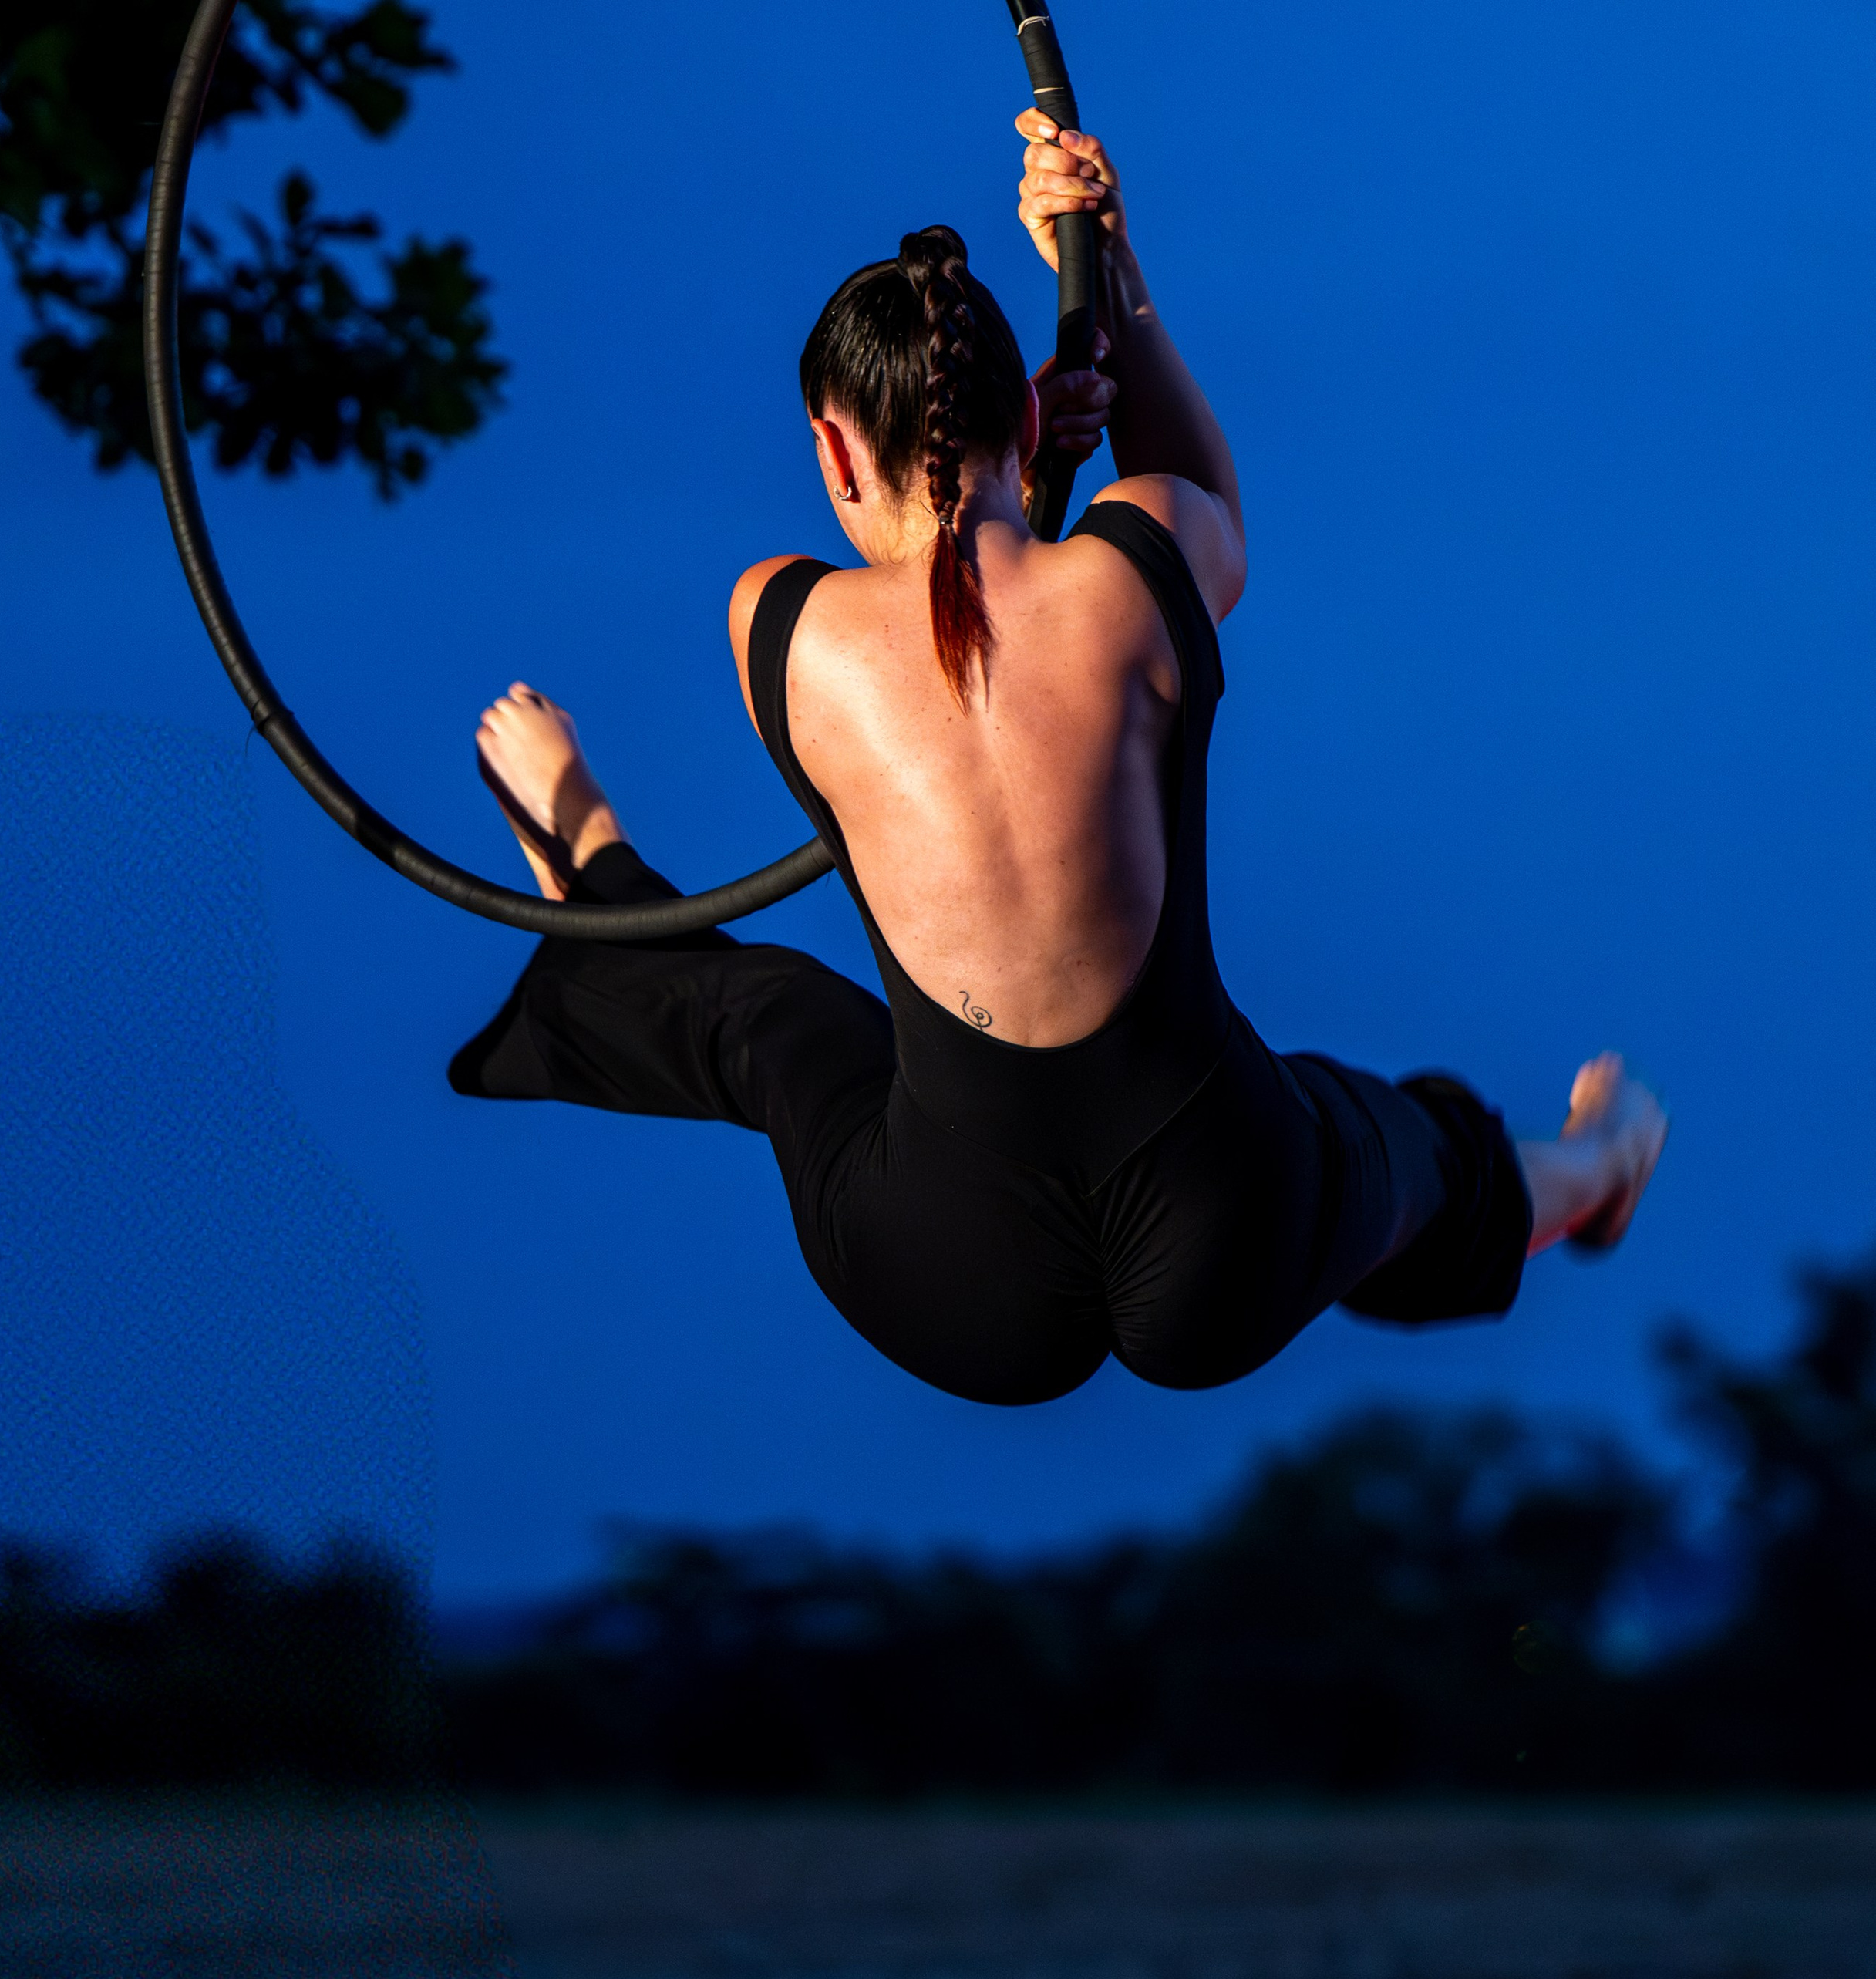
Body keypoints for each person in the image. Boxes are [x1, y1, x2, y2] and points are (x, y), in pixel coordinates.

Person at [450, 113, 1667, 1407]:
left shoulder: (781, 626)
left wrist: (1037, 462)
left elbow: (959, 655)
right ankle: (1596, 1169)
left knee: (769, 1023)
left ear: (833, 448)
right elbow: (1196, 514)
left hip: (948, 1266)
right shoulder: (1137, 566)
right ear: (1023, 409)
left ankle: (591, 868)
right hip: (1227, 1218)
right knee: (1399, 1150)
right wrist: (1114, 284)